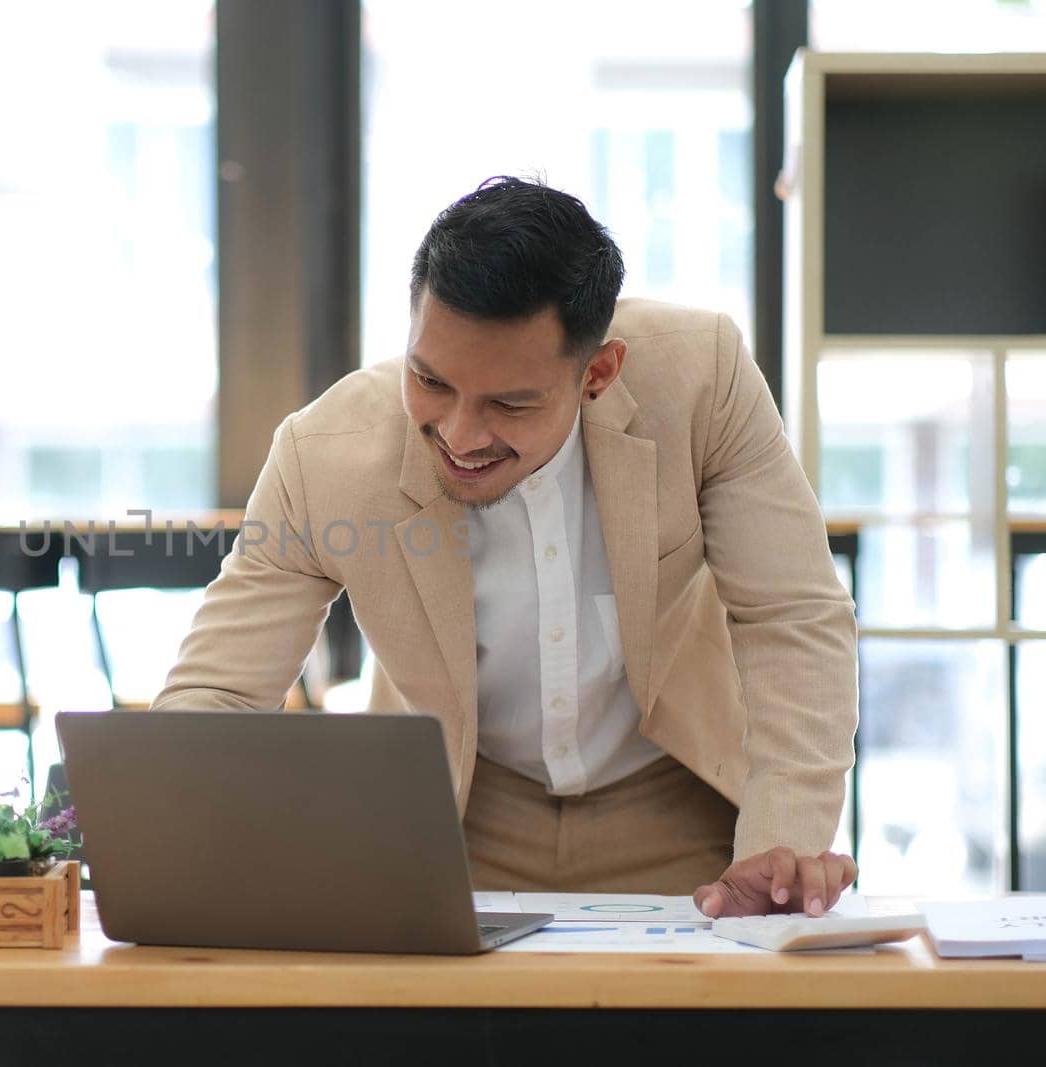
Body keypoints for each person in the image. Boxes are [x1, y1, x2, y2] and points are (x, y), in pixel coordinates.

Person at [152, 176, 858, 918]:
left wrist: (778, 847)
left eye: (509, 403)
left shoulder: (700, 379)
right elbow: (218, 693)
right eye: (430, 380)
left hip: (676, 804)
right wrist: (165, 830)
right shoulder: (322, 454)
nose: (459, 434)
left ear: (598, 373)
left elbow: (792, 614)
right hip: (448, 814)